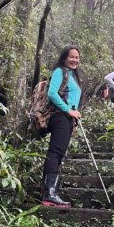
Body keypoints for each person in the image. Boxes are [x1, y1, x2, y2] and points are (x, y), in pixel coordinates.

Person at [41, 45, 82, 207]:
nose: (74, 60)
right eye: (71, 57)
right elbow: (52, 93)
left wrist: (74, 113)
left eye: (77, 57)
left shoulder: (74, 76)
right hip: (59, 117)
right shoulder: (60, 72)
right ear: (64, 57)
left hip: (67, 119)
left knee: (58, 154)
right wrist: (68, 111)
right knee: (55, 153)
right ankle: (49, 194)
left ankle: (50, 193)